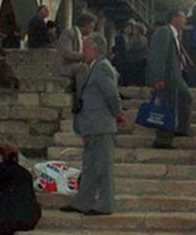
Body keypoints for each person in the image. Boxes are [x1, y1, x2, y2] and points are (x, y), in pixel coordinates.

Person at [61, 33, 124, 215]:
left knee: (103, 166)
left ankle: (105, 204)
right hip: (91, 126)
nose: (83, 52)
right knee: (89, 166)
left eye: (86, 48)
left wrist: (117, 112)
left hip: (101, 125)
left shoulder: (102, 68)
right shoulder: (94, 68)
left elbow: (112, 94)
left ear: (95, 50)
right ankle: (83, 201)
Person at [146, 8, 192, 149]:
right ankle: (163, 139)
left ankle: (180, 128)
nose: (185, 20)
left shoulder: (176, 35)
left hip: (176, 76)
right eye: (182, 17)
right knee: (167, 106)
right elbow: (157, 55)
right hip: (167, 77)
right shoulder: (164, 32)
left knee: (185, 97)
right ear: (174, 18)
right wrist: (158, 77)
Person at [55, 13, 96, 93]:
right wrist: (84, 56)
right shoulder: (69, 33)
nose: (92, 30)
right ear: (85, 25)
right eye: (91, 27)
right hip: (64, 67)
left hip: (73, 65)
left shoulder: (82, 38)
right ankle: (80, 98)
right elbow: (66, 53)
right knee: (83, 68)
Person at [123, 22, 148, 86]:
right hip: (142, 61)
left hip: (132, 61)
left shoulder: (134, 39)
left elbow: (128, 48)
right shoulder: (145, 39)